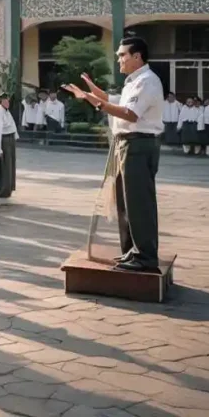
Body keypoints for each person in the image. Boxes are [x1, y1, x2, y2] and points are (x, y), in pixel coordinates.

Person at [63, 36, 164, 273]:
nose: (119, 59)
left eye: (122, 55)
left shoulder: (147, 81)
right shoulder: (133, 82)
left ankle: (146, 256)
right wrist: (92, 90)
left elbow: (129, 113)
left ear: (137, 56)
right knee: (125, 203)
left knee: (139, 203)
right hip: (126, 145)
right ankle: (132, 250)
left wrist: (91, 100)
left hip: (138, 145)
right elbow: (115, 101)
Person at [0, 93, 19, 198]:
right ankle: (1, 190)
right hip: (4, 141)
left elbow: (12, 125)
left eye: (8, 100)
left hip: (10, 139)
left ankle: (8, 188)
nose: (7, 102)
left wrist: (15, 136)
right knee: (3, 165)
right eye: (5, 100)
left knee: (10, 165)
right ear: (0, 101)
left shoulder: (7, 112)